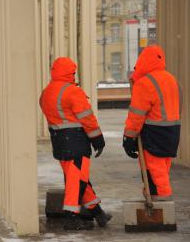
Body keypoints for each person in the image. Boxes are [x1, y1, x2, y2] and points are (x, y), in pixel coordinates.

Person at [39, 57, 111, 231]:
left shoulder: (47, 92)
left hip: (59, 141)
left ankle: (97, 213)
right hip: (76, 141)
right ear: (70, 72)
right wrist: (97, 139)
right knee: (77, 180)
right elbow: (87, 118)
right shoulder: (72, 91)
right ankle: (72, 218)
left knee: (77, 178)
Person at [123, 45, 182, 201]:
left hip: (154, 134)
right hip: (172, 133)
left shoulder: (145, 83)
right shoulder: (172, 79)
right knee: (162, 171)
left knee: (155, 174)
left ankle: (161, 209)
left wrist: (128, 137)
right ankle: (157, 202)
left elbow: (136, 115)